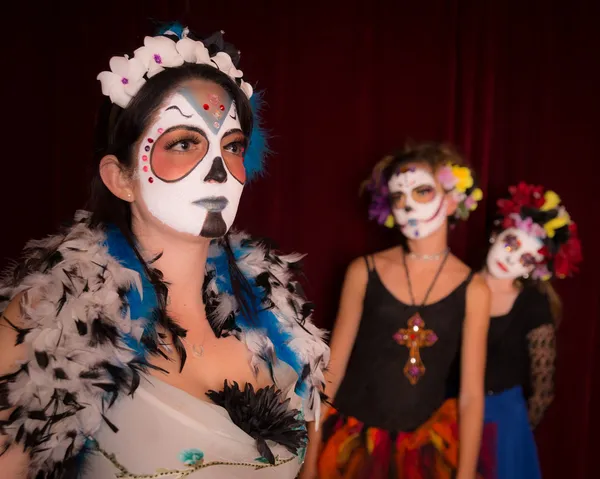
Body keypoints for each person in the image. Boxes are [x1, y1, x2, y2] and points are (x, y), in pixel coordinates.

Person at [0, 23, 329, 478]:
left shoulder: (276, 313)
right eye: (183, 143)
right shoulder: (48, 321)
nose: (218, 171)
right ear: (121, 178)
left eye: (231, 146)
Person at [301, 142, 494, 479]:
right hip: (351, 444)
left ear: (451, 200)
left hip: (424, 451)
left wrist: (464, 475)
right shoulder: (364, 271)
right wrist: (310, 459)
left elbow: (471, 396)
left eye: (422, 191)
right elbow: (330, 372)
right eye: (398, 196)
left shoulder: (474, 289)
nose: (408, 204)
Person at [482, 182, 582, 479]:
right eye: (511, 244)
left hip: (503, 425)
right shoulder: (454, 285)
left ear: (533, 268)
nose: (511, 258)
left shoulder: (533, 305)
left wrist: (514, 436)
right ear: (496, 234)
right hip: (446, 417)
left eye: (526, 258)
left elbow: (543, 391)